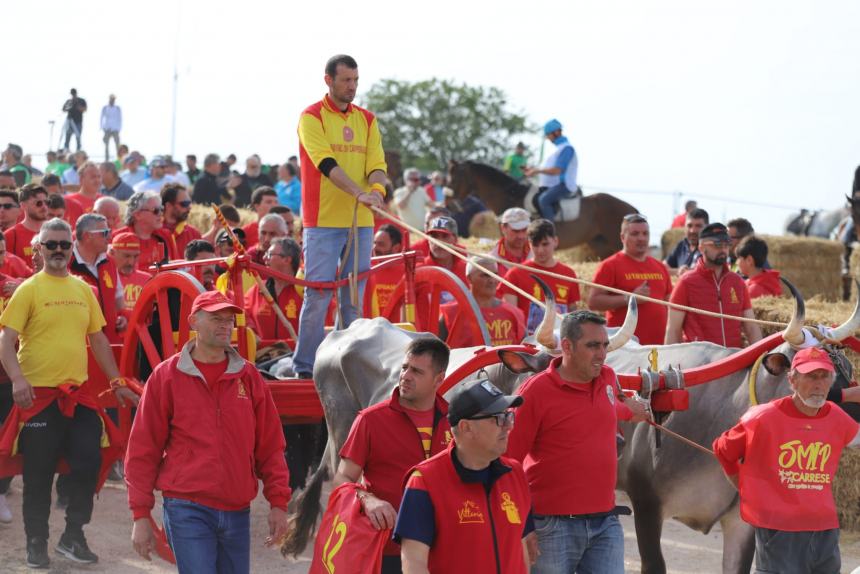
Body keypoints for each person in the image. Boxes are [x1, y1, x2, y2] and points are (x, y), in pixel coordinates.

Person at [0, 217, 137, 568]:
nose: (58, 250)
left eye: (64, 244)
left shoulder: (82, 290)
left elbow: (98, 339)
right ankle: (36, 542)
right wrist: (17, 379)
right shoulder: (29, 289)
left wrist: (117, 381)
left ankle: (72, 535)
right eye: (51, 244)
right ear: (39, 248)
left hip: (77, 397)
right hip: (38, 399)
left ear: (71, 245)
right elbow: (6, 341)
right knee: (38, 473)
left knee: (89, 463)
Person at [125, 290, 291, 573]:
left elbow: (270, 446)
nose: (226, 325)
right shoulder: (166, 377)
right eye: (216, 318)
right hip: (187, 507)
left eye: (229, 319)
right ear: (193, 322)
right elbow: (143, 449)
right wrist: (141, 516)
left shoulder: (249, 377)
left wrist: (279, 503)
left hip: (237, 510)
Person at [506, 310, 650, 573]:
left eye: (604, 345)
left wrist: (634, 410)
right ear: (567, 347)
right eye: (592, 346)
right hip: (551, 526)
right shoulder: (536, 392)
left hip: (605, 522)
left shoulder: (606, 378)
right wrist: (522, 525)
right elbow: (508, 460)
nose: (602, 354)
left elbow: (611, 407)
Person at [713, 347, 860, 574]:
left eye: (824, 377)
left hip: (824, 529)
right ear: (792, 380)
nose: (819, 385)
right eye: (811, 376)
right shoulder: (762, 417)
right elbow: (723, 449)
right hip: (779, 530)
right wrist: (743, 486)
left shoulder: (836, 416)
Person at [292, 54, 388, 379]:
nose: (352, 87)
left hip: (361, 222)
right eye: (346, 80)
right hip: (322, 221)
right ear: (328, 80)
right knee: (317, 295)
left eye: (356, 81)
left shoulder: (368, 119)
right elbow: (326, 163)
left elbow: (377, 164)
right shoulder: (311, 117)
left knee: (353, 300)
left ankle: (346, 367)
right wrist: (358, 193)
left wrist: (377, 189)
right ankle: (305, 367)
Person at [336, 338, 452, 574]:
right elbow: (342, 478)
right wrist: (368, 500)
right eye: (404, 367)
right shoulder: (370, 420)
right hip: (386, 551)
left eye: (417, 371)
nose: (406, 376)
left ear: (439, 379)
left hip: (444, 550)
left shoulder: (457, 421)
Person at [394, 377, 532, 573]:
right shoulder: (424, 482)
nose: (508, 426)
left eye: (509, 416)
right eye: (499, 418)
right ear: (466, 427)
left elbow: (521, 549)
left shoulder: (515, 473)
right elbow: (414, 563)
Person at [666, 222, 762, 347]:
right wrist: (672, 364)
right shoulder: (686, 282)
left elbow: (751, 328)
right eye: (717, 245)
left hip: (731, 360)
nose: (723, 249)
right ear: (701, 247)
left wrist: (763, 360)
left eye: (726, 245)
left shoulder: (738, 282)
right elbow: (673, 330)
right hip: (699, 362)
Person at [588, 214, 674, 345]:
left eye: (645, 234)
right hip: (625, 347)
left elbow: (670, 302)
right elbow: (593, 302)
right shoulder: (610, 265)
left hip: (658, 346)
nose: (641, 238)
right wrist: (630, 298)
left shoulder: (660, 267)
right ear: (623, 237)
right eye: (635, 234)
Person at [499, 219, 581, 336]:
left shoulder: (568, 274)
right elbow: (509, 315)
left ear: (555, 241)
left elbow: (573, 314)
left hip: (560, 343)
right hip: (527, 344)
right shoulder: (515, 274)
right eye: (535, 245)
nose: (540, 250)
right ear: (529, 244)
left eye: (545, 244)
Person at [441, 257, 525, 348]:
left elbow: (525, 351)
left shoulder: (514, 313)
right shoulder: (451, 313)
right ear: (469, 278)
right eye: (485, 275)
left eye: (495, 274)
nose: (492, 280)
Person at [70, 213, 126, 343]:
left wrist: (121, 317)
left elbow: (119, 301)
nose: (110, 237)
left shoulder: (109, 262)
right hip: (79, 345)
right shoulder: (66, 262)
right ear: (87, 236)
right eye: (105, 233)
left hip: (109, 343)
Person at [245, 237, 302, 339]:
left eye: (269, 255)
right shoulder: (257, 289)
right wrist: (251, 333)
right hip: (262, 353)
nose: (264, 258)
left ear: (287, 259)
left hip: (296, 353)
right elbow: (243, 314)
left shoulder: (304, 292)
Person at [524, 119, 579, 221]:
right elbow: (546, 169)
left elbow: (557, 170)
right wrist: (533, 170)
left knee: (543, 200)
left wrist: (536, 171)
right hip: (552, 185)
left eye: (548, 135)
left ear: (556, 132)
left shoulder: (566, 148)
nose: (548, 138)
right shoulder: (557, 149)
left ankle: (549, 231)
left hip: (564, 186)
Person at [114, 191, 176, 273]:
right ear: (137, 215)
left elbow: (176, 268)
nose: (161, 214)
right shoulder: (117, 238)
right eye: (156, 210)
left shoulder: (166, 236)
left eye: (161, 209)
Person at [5, 183, 48, 267]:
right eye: (38, 203)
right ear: (23, 206)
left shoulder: (56, 232)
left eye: (46, 202)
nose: (44, 207)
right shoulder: (10, 236)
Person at [367, 224, 404, 316]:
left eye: (381, 244)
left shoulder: (406, 273)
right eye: (374, 243)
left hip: (397, 329)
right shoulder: (366, 271)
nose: (375, 248)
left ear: (396, 248)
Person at [108, 232, 151, 313]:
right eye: (126, 256)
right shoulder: (105, 279)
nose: (131, 262)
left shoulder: (147, 280)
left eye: (136, 256)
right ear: (112, 253)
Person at [664, 207, 709, 275]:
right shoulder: (682, 245)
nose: (693, 231)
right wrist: (678, 271)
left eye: (698, 226)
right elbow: (663, 267)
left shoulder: (711, 249)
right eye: (689, 226)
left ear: (707, 227)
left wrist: (684, 272)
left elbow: (699, 273)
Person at [161, 183, 201, 257]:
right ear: (168, 205)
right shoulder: (153, 232)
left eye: (190, 203)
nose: (189, 207)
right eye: (185, 203)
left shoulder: (194, 233)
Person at [489, 207, 532, 275]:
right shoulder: (493, 260)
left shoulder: (537, 253)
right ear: (503, 228)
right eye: (515, 231)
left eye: (524, 230)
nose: (521, 236)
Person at [64, 161, 105, 226]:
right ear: (81, 179)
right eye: (93, 177)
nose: (97, 180)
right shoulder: (68, 201)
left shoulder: (105, 200)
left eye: (99, 177)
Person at [100, 94, 122, 160]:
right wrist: (102, 127)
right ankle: (107, 159)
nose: (112, 100)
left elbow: (120, 118)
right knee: (106, 145)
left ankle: (119, 159)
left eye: (113, 99)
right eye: (111, 99)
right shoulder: (105, 108)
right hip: (107, 128)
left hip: (115, 128)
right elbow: (101, 118)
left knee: (117, 145)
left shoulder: (117, 108)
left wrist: (119, 128)